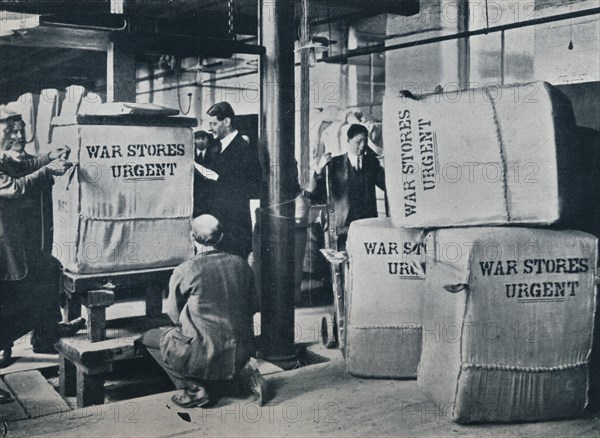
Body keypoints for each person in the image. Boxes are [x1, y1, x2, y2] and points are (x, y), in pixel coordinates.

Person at [139, 215, 266, 408]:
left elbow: (173, 316)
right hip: (241, 348)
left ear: (192, 237)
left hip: (204, 353)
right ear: (221, 237)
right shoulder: (242, 264)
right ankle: (243, 372)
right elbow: (254, 307)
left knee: (148, 337)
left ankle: (194, 388)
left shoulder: (185, 270)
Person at [0, 110, 85, 381]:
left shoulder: (4, 157)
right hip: (3, 239)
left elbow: (25, 166)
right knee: (7, 292)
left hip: (16, 235)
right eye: (11, 131)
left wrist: (48, 156)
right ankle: (4, 346)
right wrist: (47, 169)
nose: (18, 136)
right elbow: (14, 187)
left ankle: (46, 333)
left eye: (21, 129)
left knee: (48, 269)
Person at [305, 123, 386, 249]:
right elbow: (315, 193)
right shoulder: (334, 164)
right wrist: (319, 169)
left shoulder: (372, 163)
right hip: (342, 227)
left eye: (365, 141)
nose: (362, 146)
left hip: (368, 225)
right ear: (348, 141)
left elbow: (387, 185)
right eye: (358, 142)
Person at [198, 102, 261, 258]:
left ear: (226, 122)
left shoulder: (243, 148)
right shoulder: (218, 148)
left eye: (213, 124)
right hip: (220, 225)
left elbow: (251, 185)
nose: (210, 128)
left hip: (234, 227)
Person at [192, 130, 220, 218]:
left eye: (203, 138)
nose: (200, 141)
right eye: (198, 138)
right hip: (195, 192)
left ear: (207, 140)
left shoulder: (215, 154)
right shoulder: (190, 154)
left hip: (210, 192)